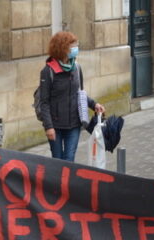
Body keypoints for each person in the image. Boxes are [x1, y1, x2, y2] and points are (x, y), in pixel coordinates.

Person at [37, 31, 104, 162]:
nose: (75, 48)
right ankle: (57, 183)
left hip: (74, 123)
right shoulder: (48, 71)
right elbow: (44, 102)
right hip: (55, 125)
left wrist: (94, 104)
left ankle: (66, 183)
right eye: (72, 45)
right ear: (62, 47)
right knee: (57, 160)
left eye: (76, 44)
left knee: (69, 159)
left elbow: (80, 94)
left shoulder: (76, 67)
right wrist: (48, 127)